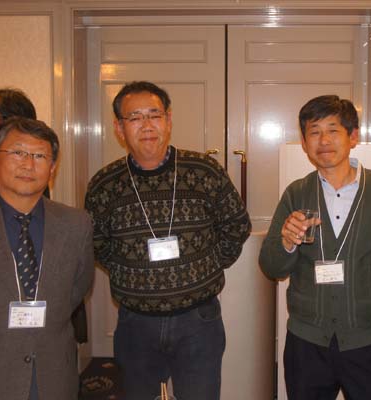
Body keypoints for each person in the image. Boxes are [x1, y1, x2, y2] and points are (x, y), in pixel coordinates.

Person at [85, 81, 251, 400]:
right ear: (119, 128)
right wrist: (129, 273)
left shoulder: (203, 170)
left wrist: (208, 265)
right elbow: (97, 243)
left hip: (198, 319)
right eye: (135, 117)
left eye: (154, 115)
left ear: (169, 120)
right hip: (135, 322)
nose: (147, 125)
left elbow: (236, 224)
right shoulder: (104, 184)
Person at [259, 95, 371, 400]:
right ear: (304, 143)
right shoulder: (296, 193)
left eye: (333, 130)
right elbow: (271, 266)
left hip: (366, 341)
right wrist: (287, 242)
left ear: (352, 136)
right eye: (314, 132)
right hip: (307, 342)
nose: (324, 140)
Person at [0, 117, 95, 399]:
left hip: (53, 375)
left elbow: (76, 290)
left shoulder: (76, 224)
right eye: (17, 152)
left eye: (40, 156)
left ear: (52, 168)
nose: (28, 164)